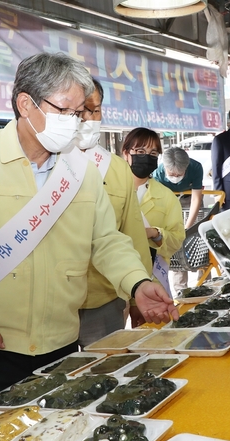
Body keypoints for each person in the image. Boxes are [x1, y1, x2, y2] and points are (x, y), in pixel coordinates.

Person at [0, 53, 178, 411]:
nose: (75, 123)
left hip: (61, 341)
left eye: (80, 113)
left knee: (57, 440)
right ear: (26, 104)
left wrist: (137, 283)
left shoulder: (82, 171)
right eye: (66, 111)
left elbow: (106, 241)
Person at [75, 79, 152, 347]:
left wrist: (137, 293)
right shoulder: (42, 164)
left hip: (104, 298)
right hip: (48, 305)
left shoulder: (117, 169)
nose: (88, 118)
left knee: (104, 375)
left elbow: (133, 236)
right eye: (80, 110)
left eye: (95, 110)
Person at [121, 128, 185, 326]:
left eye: (153, 154)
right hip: (112, 283)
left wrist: (155, 233)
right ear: (125, 153)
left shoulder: (166, 196)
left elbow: (176, 239)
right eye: (140, 152)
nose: (146, 158)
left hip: (152, 279)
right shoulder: (107, 190)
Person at [153, 147, 204, 294]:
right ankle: (181, 290)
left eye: (179, 174)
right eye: (172, 174)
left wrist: (188, 227)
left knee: (198, 242)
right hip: (168, 203)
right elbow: (161, 205)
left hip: (190, 202)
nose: (175, 176)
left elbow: (196, 198)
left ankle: (204, 285)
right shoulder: (157, 174)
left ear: (186, 168)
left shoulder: (195, 167)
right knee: (176, 248)